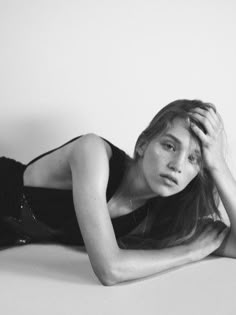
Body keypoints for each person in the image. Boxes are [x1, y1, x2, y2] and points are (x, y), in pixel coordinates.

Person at [0, 99, 235, 286]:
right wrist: (189, 253)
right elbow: (110, 269)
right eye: (169, 146)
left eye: (194, 159)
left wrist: (218, 164)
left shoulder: (157, 217)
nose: (177, 164)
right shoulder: (93, 153)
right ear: (143, 144)